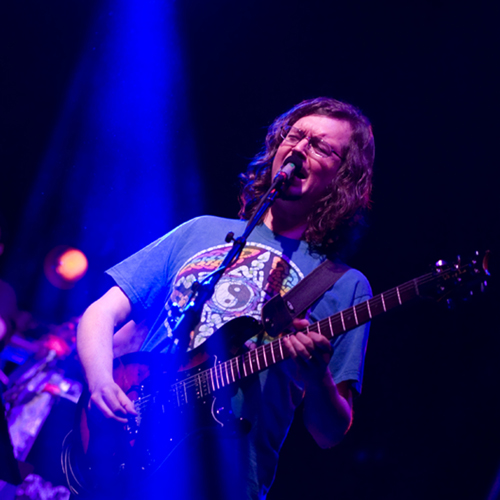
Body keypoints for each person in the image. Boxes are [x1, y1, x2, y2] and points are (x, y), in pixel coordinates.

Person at [73, 97, 375, 499]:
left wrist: (318, 376)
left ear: (344, 177)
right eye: (295, 135)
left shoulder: (343, 285)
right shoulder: (201, 231)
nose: (300, 148)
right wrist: (100, 383)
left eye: (320, 146)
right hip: (129, 450)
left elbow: (329, 433)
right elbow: (102, 312)